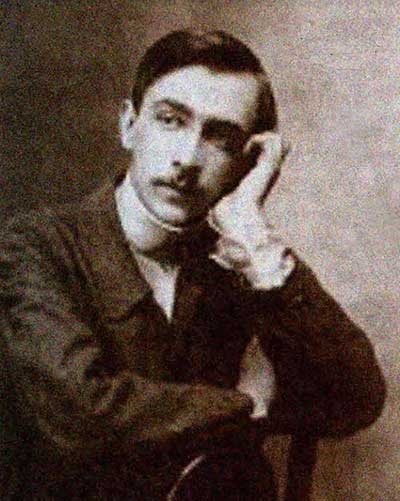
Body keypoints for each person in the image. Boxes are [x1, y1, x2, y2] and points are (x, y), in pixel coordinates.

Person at [0, 30, 385, 500]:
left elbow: (355, 397)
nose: (186, 158)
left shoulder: (243, 261)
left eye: (220, 138)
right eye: (170, 121)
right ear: (129, 125)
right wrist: (246, 405)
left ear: (245, 164)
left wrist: (255, 240)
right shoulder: (36, 246)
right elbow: (80, 413)